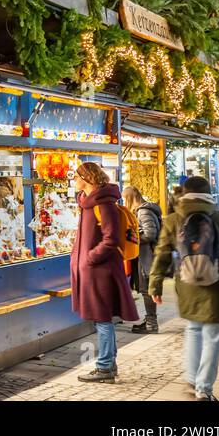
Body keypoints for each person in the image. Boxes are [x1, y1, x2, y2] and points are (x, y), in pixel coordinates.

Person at [150, 176, 219, 401]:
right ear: (209, 193)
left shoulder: (173, 219)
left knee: (193, 330)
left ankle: (192, 380)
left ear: (184, 194)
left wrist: (155, 284)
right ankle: (203, 389)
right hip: (218, 285)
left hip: (186, 285)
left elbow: (162, 253)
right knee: (213, 336)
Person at [71, 161, 139, 384]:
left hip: (101, 271)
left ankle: (105, 367)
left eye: (76, 176)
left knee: (102, 318)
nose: (74, 180)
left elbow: (111, 239)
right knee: (100, 318)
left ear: (87, 178)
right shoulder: (87, 203)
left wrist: (90, 258)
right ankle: (109, 363)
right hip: (92, 271)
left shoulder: (104, 204)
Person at [123, 185, 162, 334]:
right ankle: (150, 320)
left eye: (125, 198)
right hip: (148, 255)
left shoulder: (143, 211)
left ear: (130, 198)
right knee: (146, 289)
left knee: (147, 289)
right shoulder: (146, 210)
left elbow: (150, 234)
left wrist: (133, 237)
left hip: (148, 256)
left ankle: (151, 324)